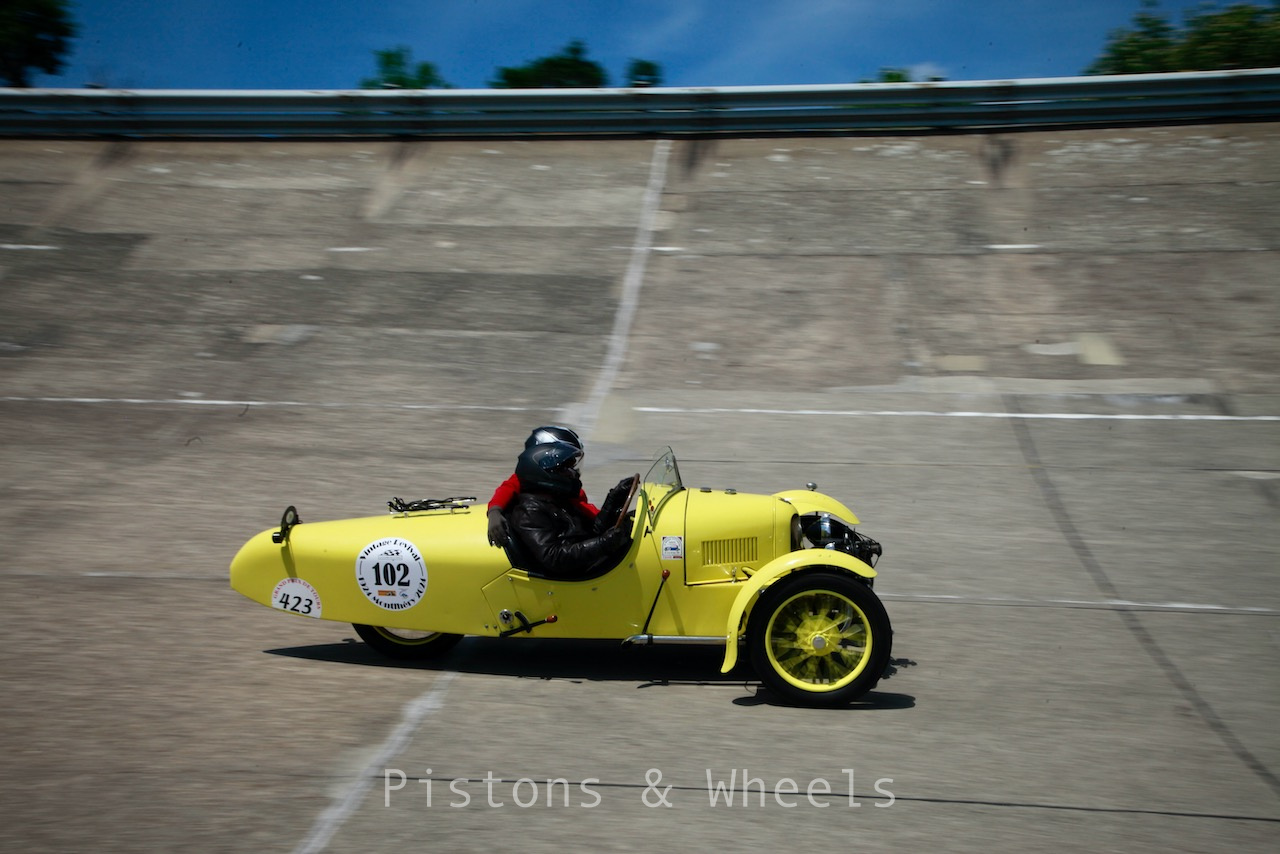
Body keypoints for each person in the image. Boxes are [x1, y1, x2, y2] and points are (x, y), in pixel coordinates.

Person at [504, 440, 634, 579]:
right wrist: (602, 544)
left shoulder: (558, 500)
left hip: (586, 565)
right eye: (564, 469)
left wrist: (613, 500)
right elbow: (553, 557)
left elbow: (591, 532)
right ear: (544, 475)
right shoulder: (529, 512)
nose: (572, 473)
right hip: (577, 576)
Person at [487, 426, 598, 547]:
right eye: (565, 465)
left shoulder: (568, 488)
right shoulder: (524, 479)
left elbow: (585, 509)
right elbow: (506, 489)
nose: (572, 472)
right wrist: (494, 511)